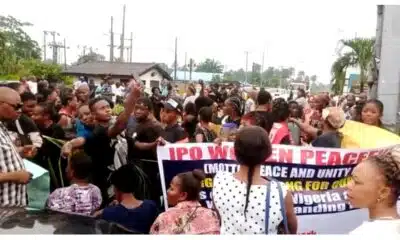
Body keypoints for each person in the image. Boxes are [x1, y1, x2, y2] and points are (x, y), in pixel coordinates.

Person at [213, 126, 297, 234]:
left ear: (235, 152)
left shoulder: (220, 181)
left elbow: (219, 215)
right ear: (268, 154)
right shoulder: (280, 192)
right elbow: (292, 229)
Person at [150, 169, 219, 234]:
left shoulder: (164, 218)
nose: (167, 191)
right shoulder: (212, 215)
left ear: (183, 195)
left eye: (171, 189)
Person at [95, 164, 159, 234]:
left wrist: (105, 210)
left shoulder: (108, 213)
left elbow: (90, 219)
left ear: (116, 189)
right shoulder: (151, 207)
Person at [347, 151, 400, 234]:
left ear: (383, 192)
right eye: (351, 179)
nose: (348, 185)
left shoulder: (363, 235)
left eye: (356, 182)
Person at [0, 87, 33, 207]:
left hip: (12, 211)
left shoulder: (3, 127)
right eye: (16, 106)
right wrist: (15, 176)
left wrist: (19, 152)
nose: (20, 110)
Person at [47, 151, 102, 216]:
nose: (66, 169)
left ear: (72, 172)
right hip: (87, 225)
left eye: (68, 166)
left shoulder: (59, 193)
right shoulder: (96, 191)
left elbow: (51, 213)